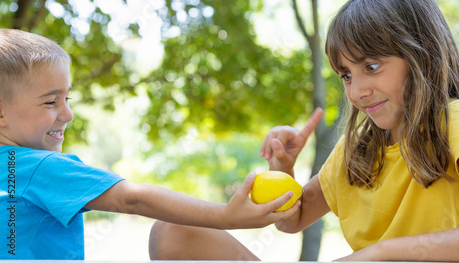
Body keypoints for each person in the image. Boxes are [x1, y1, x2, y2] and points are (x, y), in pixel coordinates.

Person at [149, 0, 459, 261]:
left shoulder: (453, 120)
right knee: (173, 231)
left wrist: (384, 253)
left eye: (371, 66)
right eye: (346, 75)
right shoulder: (358, 150)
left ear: (421, 55)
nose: (357, 90)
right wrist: (282, 170)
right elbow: (294, 220)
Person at [0, 28, 298, 260]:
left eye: (68, 99)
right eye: (51, 101)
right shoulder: (38, 166)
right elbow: (133, 198)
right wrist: (225, 215)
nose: (68, 113)